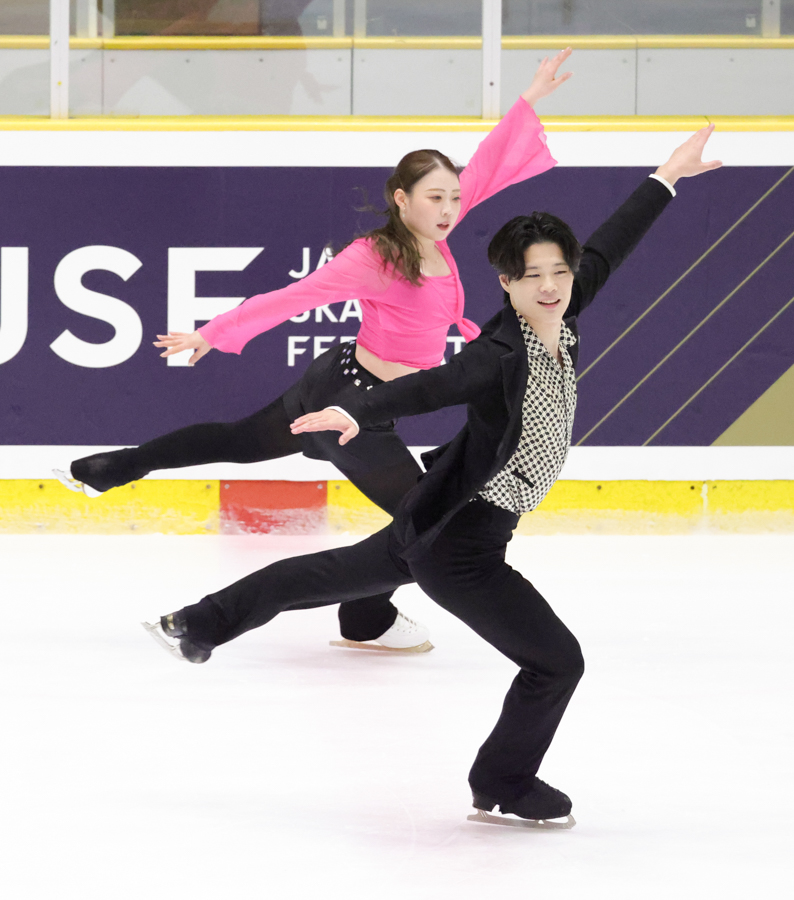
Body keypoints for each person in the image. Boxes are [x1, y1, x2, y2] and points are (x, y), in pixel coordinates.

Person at [143, 127, 722, 825]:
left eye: (559, 272)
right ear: (505, 283)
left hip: (438, 512)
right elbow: (427, 387)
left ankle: (198, 622)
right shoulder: (497, 353)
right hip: (461, 542)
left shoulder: (564, 309)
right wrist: (355, 411)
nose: (549, 286)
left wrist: (667, 175)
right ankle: (504, 782)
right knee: (556, 662)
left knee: (330, 574)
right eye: (531, 276)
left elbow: (611, 244)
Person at [56, 50, 574, 653]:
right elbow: (293, 298)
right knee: (427, 529)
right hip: (351, 411)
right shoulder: (375, 257)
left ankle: (107, 469)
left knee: (238, 441)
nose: (449, 209)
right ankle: (361, 621)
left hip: (342, 385)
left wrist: (528, 100)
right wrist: (213, 333)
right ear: (401, 198)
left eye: (454, 199)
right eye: (435, 198)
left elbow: (486, 167)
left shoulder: (438, 230)